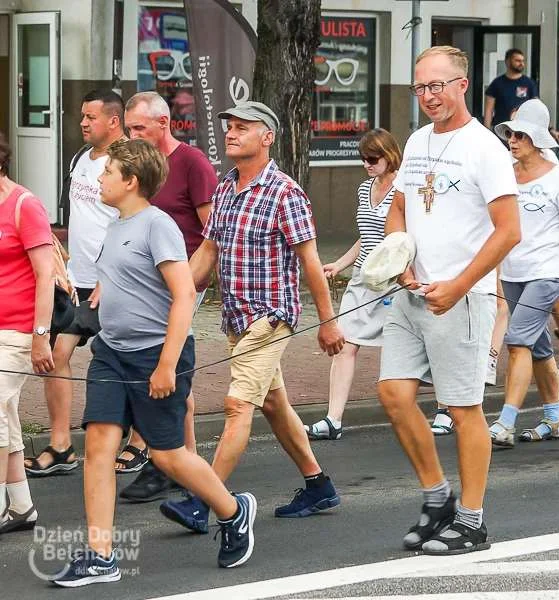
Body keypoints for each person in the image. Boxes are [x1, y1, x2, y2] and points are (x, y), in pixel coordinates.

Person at [51, 139, 255, 586]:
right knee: (99, 448)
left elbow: (184, 294)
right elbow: (119, 282)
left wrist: (166, 364)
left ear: (131, 181)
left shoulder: (156, 225)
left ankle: (233, 511)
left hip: (155, 356)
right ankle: (100, 555)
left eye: (108, 173)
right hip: (112, 353)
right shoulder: (115, 225)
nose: (99, 179)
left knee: (167, 456)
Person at [159, 101, 344, 532]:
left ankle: (204, 501)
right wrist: (176, 299)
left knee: (238, 403)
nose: (231, 133)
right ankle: (318, 485)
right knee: (274, 403)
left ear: (267, 137)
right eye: (229, 127)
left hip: (271, 315)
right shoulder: (225, 188)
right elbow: (207, 253)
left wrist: (329, 321)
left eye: (242, 127)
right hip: (235, 318)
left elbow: (311, 262)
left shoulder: (285, 192)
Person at [379, 45, 520, 554]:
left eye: (437, 86)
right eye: (420, 88)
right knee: (394, 394)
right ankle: (437, 496)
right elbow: (398, 209)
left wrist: (458, 285)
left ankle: (472, 518)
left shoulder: (486, 148)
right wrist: (402, 260)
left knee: (462, 409)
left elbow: (509, 232)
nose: (428, 96)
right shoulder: (416, 142)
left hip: (463, 297)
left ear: (463, 85)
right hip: (413, 293)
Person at [118, 90, 218, 500]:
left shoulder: (191, 163)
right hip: (143, 284)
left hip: (180, 285)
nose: (132, 136)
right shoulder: (136, 166)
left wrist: (190, 282)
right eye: (128, 129)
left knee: (167, 368)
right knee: (167, 375)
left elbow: (213, 232)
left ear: (164, 124)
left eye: (139, 128)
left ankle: (169, 460)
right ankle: (179, 461)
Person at [25, 90, 126, 477]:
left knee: (119, 359)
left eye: (91, 117)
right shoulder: (80, 158)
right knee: (56, 357)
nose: (82, 122)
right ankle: (62, 446)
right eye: (82, 116)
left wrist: (111, 276)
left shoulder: (127, 162)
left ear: (113, 120)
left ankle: (141, 440)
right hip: (76, 282)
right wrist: (59, 265)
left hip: (112, 284)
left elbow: (130, 221)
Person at [488, 99, 559, 447]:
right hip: (513, 272)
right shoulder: (504, 172)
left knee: (517, 340)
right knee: (539, 348)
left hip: (546, 272)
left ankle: (505, 422)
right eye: (510, 134)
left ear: (537, 139)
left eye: (520, 135)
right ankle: (553, 416)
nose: (512, 140)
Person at [306, 128, 401, 440]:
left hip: (395, 279)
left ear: (389, 156)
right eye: (363, 159)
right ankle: (333, 420)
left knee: (412, 348)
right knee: (344, 343)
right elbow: (367, 235)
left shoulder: (404, 189)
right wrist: (340, 264)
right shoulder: (364, 189)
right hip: (363, 277)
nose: (367, 165)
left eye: (372, 159)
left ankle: (445, 408)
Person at [0, 133, 54, 534]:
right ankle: (20, 506)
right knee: (6, 416)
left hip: (16, 332)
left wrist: (41, 335)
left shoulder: (23, 204)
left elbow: (45, 275)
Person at [483, 48, 538, 131]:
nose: (521, 63)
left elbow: (536, 108)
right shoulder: (497, 83)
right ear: (508, 61)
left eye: (523, 61)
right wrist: (486, 131)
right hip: (501, 130)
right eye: (517, 60)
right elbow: (488, 110)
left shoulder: (529, 83)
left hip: (522, 131)